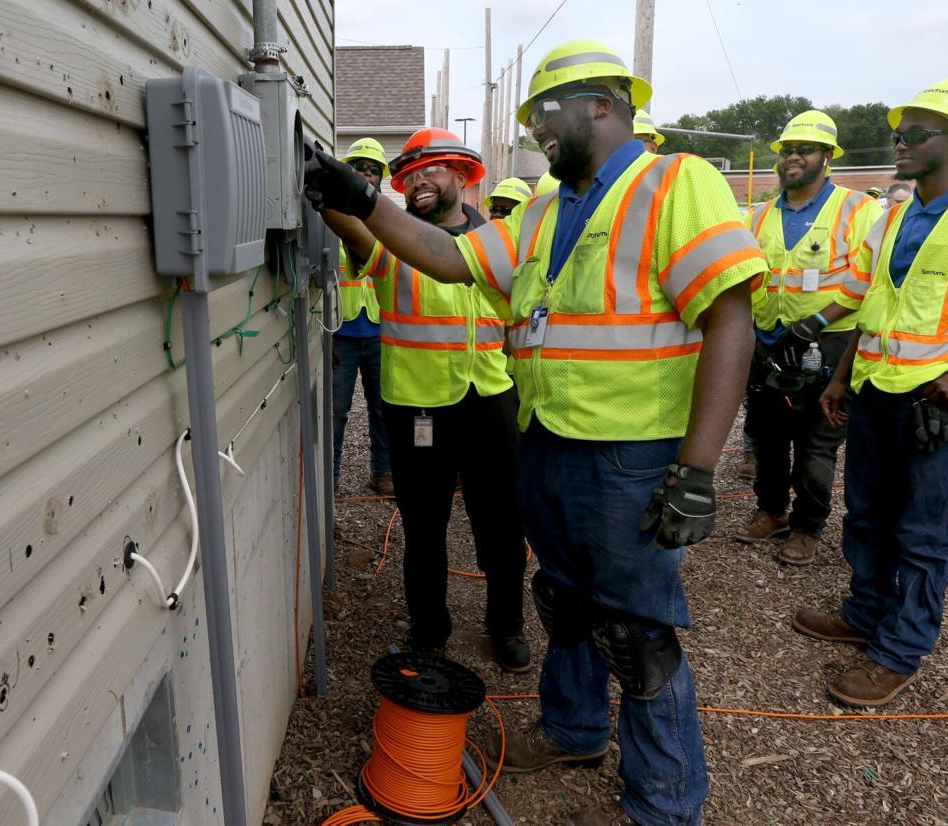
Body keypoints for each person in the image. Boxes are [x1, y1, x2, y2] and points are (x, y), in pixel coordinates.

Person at [306, 39, 767, 826]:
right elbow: (447, 257)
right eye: (531, 121)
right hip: (547, 438)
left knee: (636, 635)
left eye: (546, 113)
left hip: (631, 456)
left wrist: (697, 469)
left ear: (603, 105)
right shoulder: (546, 211)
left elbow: (731, 318)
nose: (536, 131)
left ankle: (665, 801)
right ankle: (573, 731)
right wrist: (365, 198)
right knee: (565, 602)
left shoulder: (674, 183)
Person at [799, 78, 948, 707]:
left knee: (924, 531)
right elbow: (870, 302)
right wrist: (840, 377)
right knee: (867, 514)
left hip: (937, 405)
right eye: (899, 132)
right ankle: (865, 612)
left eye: (917, 133)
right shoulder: (894, 215)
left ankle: (900, 650)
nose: (900, 143)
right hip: (876, 391)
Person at [318, 127, 532, 673]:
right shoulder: (394, 242)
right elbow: (350, 225)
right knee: (424, 525)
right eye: (409, 177)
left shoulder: (499, 243)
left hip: (490, 397)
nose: (418, 183)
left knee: (502, 522)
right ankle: (429, 629)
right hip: (418, 408)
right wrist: (328, 189)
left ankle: (506, 624)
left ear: (462, 176)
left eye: (430, 170)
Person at [735, 111, 883, 564]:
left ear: (827, 157)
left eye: (805, 149)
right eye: (787, 150)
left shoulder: (859, 210)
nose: (793, 157)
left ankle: (807, 526)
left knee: (817, 442)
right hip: (769, 340)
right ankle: (771, 510)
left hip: (828, 341)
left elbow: (870, 280)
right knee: (767, 434)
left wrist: (817, 321)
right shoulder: (759, 215)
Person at [332, 139, 393, 495]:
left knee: (382, 409)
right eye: (360, 168)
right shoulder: (333, 216)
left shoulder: (388, 220)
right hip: (341, 331)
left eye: (374, 169)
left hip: (379, 331)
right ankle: (332, 476)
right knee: (336, 410)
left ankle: (382, 473)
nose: (367, 175)